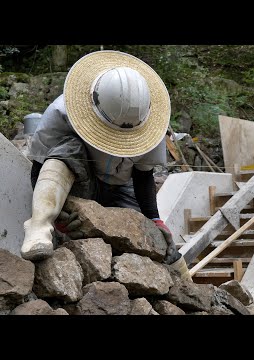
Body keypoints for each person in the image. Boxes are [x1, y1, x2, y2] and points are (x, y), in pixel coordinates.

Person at [21, 50, 191, 281]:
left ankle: (187, 284)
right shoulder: (61, 113)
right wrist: (56, 211)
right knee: (68, 148)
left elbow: (143, 176)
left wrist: (154, 219)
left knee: (158, 240)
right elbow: (39, 167)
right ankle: (38, 227)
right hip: (79, 184)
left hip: (121, 186)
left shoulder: (152, 124)